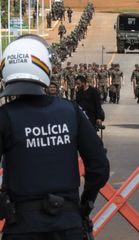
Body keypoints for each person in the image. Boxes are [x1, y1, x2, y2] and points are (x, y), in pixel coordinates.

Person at [0, 34, 109, 240]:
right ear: (44, 66)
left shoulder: (5, 117)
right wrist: (85, 204)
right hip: (68, 222)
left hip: (22, 225)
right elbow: (99, 167)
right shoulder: (71, 111)